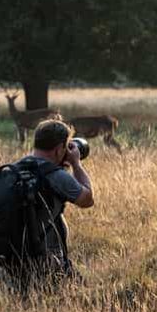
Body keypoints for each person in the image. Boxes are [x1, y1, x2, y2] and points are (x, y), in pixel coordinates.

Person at [17, 119, 94, 283]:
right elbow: (87, 200)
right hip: (45, 259)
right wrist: (76, 164)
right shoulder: (56, 176)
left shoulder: (16, 168)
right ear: (59, 149)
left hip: (12, 254)